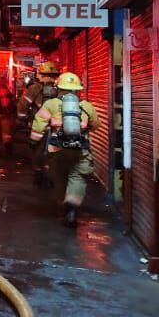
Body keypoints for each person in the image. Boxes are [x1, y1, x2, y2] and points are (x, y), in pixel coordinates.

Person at [30, 72, 101, 227]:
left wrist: (33, 142)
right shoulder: (86, 105)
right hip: (80, 150)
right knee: (78, 177)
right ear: (78, 89)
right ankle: (72, 207)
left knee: (59, 176)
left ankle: (64, 203)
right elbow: (96, 125)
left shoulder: (51, 104)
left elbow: (38, 126)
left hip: (57, 149)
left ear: (59, 87)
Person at [19, 61, 60, 186]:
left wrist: (23, 118)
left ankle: (38, 174)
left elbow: (23, 104)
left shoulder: (35, 88)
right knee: (53, 151)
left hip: (38, 125)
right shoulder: (60, 89)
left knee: (36, 149)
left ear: (40, 74)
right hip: (56, 127)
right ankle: (50, 176)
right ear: (55, 75)